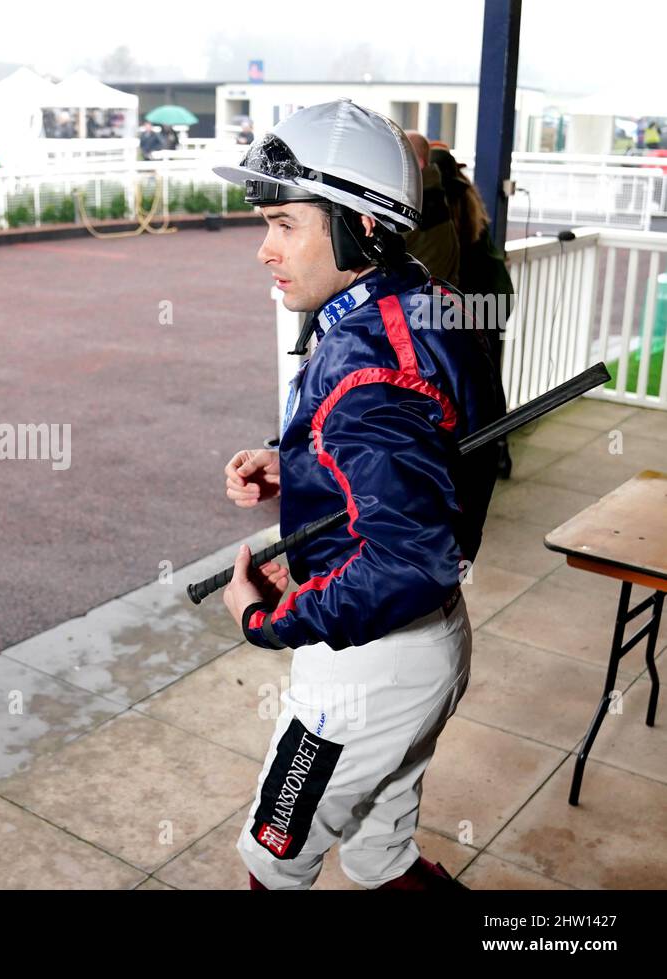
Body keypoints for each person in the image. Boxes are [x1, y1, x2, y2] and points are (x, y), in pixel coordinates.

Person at [212, 98, 504, 891]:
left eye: (284, 224)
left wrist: (268, 619)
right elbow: (431, 453)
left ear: (359, 224)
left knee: (272, 861)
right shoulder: (417, 298)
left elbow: (408, 561)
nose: (264, 251)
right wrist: (297, 466)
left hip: (368, 669)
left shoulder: (364, 367)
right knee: (381, 855)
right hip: (425, 648)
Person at [432, 145, 515, 478]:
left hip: (464, 309)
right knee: (490, 384)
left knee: (461, 389)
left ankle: (474, 457)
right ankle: (499, 453)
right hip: (491, 303)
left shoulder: (437, 205)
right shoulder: (468, 198)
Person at [401, 131, 459, 285]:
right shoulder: (437, 196)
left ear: (418, 163)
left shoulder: (415, 203)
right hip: (438, 298)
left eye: (400, 157)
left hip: (418, 300)